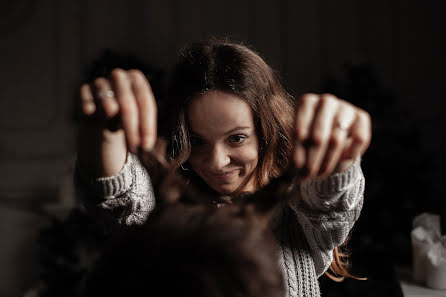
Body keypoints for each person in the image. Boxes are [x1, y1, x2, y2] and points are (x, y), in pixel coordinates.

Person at [75, 38, 371, 297]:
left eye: (236, 138)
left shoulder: (298, 206)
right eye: (197, 141)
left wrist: (339, 149)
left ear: (266, 130)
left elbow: (329, 206)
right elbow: (124, 200)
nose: (216, 162)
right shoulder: (173, 212)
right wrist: (103, 132)